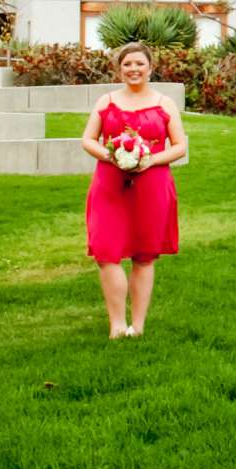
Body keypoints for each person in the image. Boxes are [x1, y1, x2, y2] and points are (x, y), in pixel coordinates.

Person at [80, 42, 187, 339]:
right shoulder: (106, 101)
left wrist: (149, 159)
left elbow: (180, 146)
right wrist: (110, 155)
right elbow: (88, 139)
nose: (134, 69)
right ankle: (116, 324)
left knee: (144, 254)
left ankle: (137, 326)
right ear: (119, 69)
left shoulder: (164, 104)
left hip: (151, 185)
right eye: (127, 64)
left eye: (139, 63)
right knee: (106, 251)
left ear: (150, 68)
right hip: (110, 184)